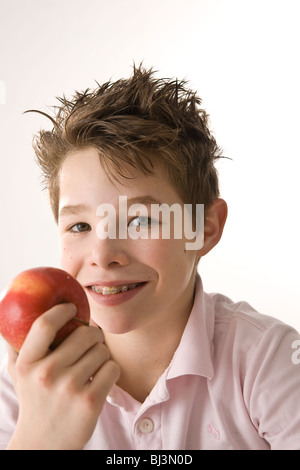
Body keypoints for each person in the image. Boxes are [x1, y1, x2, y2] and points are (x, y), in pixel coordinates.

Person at [0, 65, 299, 450]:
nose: (103, 255)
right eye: (80, 227)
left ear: (204, 228)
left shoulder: (267, 362)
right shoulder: (29, 380)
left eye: (140, 221)